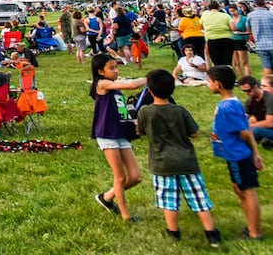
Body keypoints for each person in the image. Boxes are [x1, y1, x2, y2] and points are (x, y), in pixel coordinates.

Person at [135, 67, 221, 245]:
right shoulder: (180, 110)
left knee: (168, 200)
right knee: (199, 198)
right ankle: (211, 233)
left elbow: (141, 132)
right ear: (172, 88)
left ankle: (173, 232)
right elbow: (195, 133)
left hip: (161, 163)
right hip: (187, 162)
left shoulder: (144, 111)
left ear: (149, 91)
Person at [209, 64, 264, 241]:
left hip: (238, 155)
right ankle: (250, 226)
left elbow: (245, 131)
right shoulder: (231, 102)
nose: (207, 84)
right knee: (239, 189)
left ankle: (255, 233)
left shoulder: (228, 107)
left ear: (218, 84)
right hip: (234, 155)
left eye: (209, 81)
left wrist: (254, 153)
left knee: (246, 191)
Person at [90, 52, 147, 222]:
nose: (116, 71)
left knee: (135, 177)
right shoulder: (102, 84)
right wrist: (149, 78)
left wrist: (133, 122)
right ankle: (126, 216)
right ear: (101, 71)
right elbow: (132, 85)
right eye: (111, 68)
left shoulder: (114, 87)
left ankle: (106, 197)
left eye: (116, 67)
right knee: (120, 177)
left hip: (121, 132)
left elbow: (122, 109)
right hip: (107, 134)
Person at [238, 73, 273, 148]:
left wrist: (249, 125)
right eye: (244, 91)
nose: (247, 93)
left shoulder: (269, 99)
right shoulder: (250, 101)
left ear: (256, 87)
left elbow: (270, 123)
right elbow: (244, 117)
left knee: (254, 131)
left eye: (248, 90)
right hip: (265, 128)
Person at [203, 2, 235, 69]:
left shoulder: (205, 16)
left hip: (212, 39)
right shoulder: (225, 16)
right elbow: (233, 28)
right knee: (227, 61)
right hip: (226, 39)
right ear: (219, 7)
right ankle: (228, 76)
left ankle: (219, 77)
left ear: (208, 8)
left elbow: (200, 26)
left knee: (216, 62)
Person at [248, 0, 273, 76]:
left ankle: (269, 85)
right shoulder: (270, 14)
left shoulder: (250, 15)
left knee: (266, 67)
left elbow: (248, 30)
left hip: (260, 45)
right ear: (264, 4)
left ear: (255, 4)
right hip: (271, 42)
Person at [231, 3, 252, 80]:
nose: (232, 13)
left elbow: (249, 32)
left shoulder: (244, 19)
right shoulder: (230, 19)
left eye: (233, 11)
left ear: (237, 10)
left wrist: (240, 33)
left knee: (244, 62)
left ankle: (249, 79)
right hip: (232, 40)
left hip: (241, 41)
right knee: (236, 62)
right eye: (230, 11)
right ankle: (242, 79)